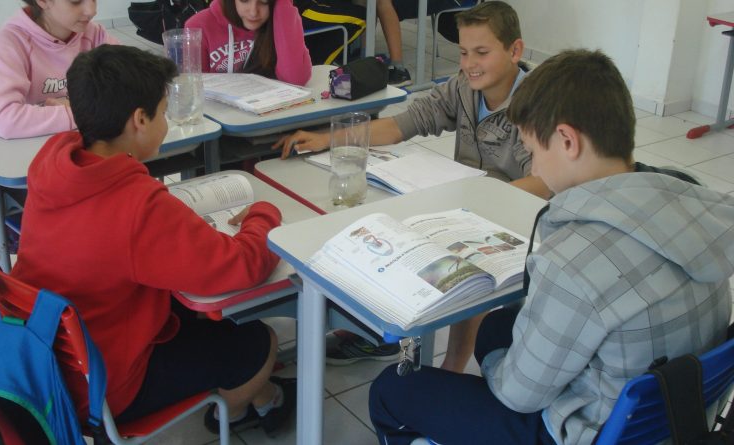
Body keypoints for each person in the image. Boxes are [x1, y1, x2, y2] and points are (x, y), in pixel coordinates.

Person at [368, 48, 734, 445]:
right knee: (495, 327)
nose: (536, 169)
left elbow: (516, 395)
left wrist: (496, 365)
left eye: (535, 152)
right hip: (672, 415)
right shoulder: (697, 203)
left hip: (584, 432)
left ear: (566, 140)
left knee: (391, 390)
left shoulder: (573, 261)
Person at [10, 44, 295, 437]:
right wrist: (265, 214)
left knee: (197, 313)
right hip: (107, 388)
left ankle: (263, 398)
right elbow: (241, 266)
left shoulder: (53, 162)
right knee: (258, 342)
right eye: (164, 112)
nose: (168, 121)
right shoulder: (136, 206)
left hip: (50, 361)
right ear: (139, 120)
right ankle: (233, 412)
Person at [276, 1, 549, 370]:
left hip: (512, 218)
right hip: (465, 205)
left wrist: (485, 199)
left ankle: (450, 369)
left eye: (482, 53)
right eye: (464, 52)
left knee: (465, 273)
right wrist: (332, 138)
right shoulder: (463, 88)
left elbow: (545, 182)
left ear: (515, 50)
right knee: (386, 231)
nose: (469, 64)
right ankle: (381, 331)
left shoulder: (537, 105)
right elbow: (403, 124)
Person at [0, 0, 118, 139]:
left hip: (88, 141)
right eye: (76, 1)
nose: (91, 10)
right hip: (32, 149)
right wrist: (83, 113)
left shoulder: (95, 35)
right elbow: (6, 121)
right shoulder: (9, 43)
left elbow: (134, 91)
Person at [184, 0, 312, 86]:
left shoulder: (280, 18)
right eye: (245, 0)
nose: (253, 12)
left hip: (268, 113)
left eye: (264, 2)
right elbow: (193, 89)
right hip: (219, 119)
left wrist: (283, 5)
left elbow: (296, 79)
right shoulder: (198, 26)